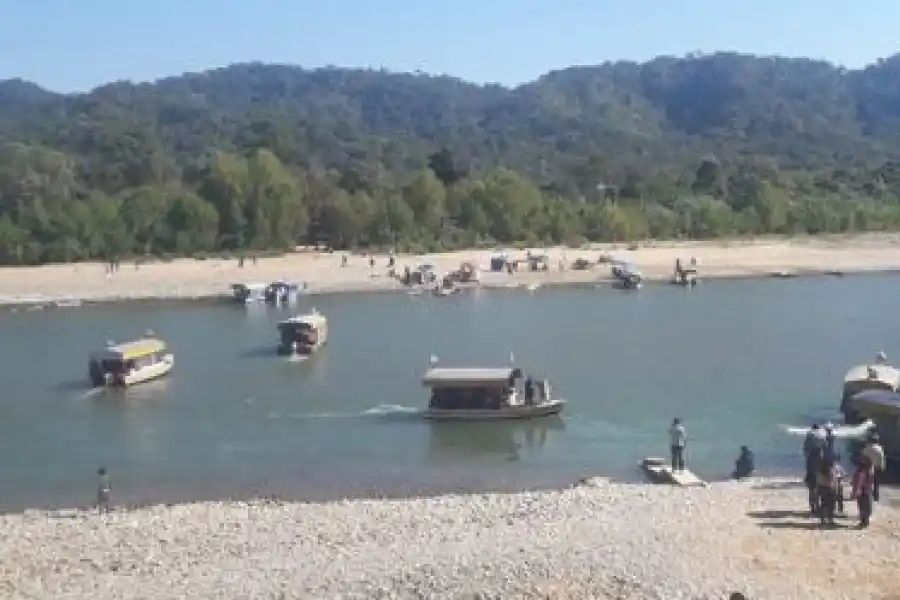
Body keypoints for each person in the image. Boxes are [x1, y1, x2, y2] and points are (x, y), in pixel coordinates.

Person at [851, 457, 875, 528]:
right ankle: (866, 521)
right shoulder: (869, 473)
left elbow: (855, 484)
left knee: (861, 507)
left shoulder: (857, 473)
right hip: (866, 491)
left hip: (860, 491)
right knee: (866, 507)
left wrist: (854, 492)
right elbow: (871, 483)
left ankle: (862, 521)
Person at [862, 433, 885, 502]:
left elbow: (863, 456)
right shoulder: (880, 449)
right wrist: (882, 467)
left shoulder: (867, 447)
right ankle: (876, 496)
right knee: (876, 483)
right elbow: (882, 459)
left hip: (868, 467)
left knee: (866, 480)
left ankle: (865, 493)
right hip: (878, 468)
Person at [815, 458, 838, 526]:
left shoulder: (819, 471)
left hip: (821, 489)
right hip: (829, 489)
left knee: (824, 504)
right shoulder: (830, 471)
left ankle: (823, 519)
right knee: (831, 505)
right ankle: (830, 519)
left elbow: (817, 481)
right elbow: (831, 481)